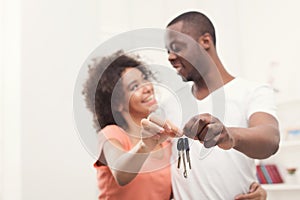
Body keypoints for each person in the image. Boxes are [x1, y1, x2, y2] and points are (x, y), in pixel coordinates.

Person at [164, 11, 279, 199]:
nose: (170, 57)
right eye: (167, 51)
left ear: (205, 41)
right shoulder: (170, 104)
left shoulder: (252, 92)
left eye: (176, 47)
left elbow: (270, 139)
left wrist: (229, 136)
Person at [82, 50, 181, 200]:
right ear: (117, 104)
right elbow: (121, 174)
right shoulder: (112, 134)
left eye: (144, 80)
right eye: (134, 87)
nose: (147, 87)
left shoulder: (165, 142)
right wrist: (145, 146)